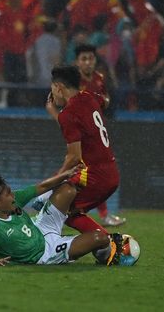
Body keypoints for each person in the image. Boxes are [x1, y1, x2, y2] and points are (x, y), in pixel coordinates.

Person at [34, 45, 125, 227]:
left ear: (59, 87)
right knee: (67, 206)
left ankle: (44, 201)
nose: (88, 62)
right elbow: (102, 100)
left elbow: (73, 157)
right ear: (77, 62)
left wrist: (53, 111)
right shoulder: (87, 96)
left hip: (94, 170)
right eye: (84, 58)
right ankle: (105, 241)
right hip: (107, 166)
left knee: (61, 206)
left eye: (90, 58)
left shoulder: (74, 105)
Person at [0, 169, 130, 266]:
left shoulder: (14, 200)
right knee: (100, 238)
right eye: (8, 193)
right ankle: (104, 257)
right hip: (45, 253)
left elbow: (43, 186)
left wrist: (66, 174)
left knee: (68, 189)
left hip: (40, 226)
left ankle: (43, 205)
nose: (12, 195)